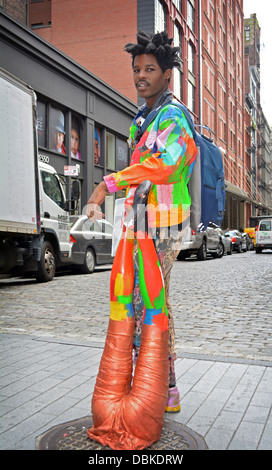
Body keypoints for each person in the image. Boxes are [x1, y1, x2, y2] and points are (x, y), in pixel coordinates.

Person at [86, 30, 197, 412]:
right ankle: (159, 382)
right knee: (145, 295)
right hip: (139, 219)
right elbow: (139, 169)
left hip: (165, 220)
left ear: (168, 74)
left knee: (147, 295)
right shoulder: (141, 119)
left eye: (150, 69)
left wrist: (107, 183)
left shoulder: (174, 116)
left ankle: (161, 385)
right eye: (137, 69)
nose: (140, 76)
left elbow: (165, 164)